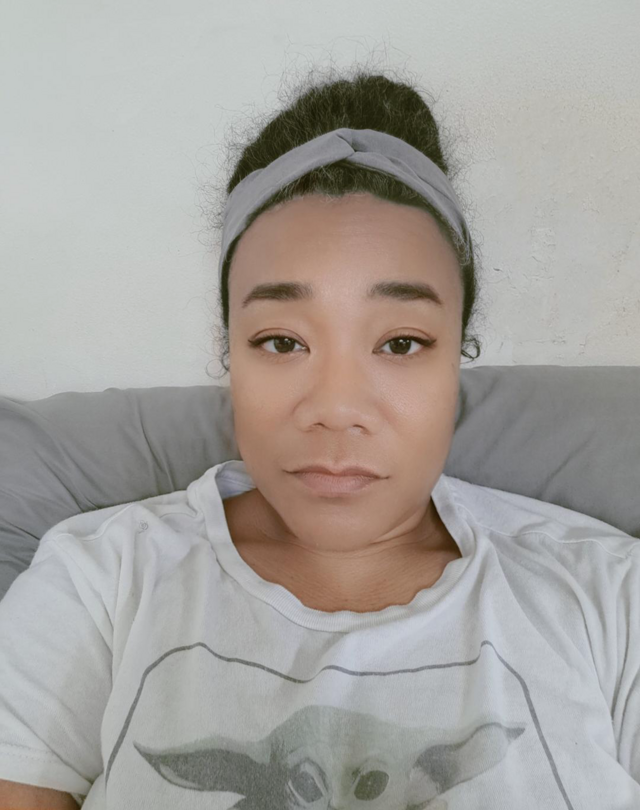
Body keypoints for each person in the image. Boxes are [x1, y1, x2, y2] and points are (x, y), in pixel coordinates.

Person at [1, 69, 640, 809]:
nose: (337, 409)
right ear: (229, 354)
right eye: (281, 341)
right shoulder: (97, 586)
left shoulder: (610, 600)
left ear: (458, 357)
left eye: (400, 343)